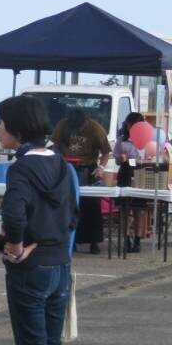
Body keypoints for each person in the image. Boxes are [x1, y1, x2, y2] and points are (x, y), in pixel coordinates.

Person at [0, 95, 78, 345]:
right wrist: (44, 241)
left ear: (16, 128)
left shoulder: (21, 168)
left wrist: (16, 244)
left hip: (30, 271)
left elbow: (13, 215)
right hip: (59, 265)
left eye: (0, 123)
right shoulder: (60, 163)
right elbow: (73, 214)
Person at [51, 108, 110, 254]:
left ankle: (94, 242)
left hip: (88, 169)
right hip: (68, 167)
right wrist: (59, 159)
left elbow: (106, 152)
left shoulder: (95, 129)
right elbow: (55, 145)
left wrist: (101, 167)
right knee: (68, 204)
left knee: (91, 206)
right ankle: (72, 240)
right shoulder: (62, 126)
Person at [114, 112, 150, 253]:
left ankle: (137, 239)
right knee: (124, 208)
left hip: (140, 173)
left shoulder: (147, 140)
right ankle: (126, 238)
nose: (132, 127)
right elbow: (117, 158)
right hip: (125, 174)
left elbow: (151, 158)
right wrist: (121, 159)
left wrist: (142, 160)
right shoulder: (122, 140)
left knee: (139, 210)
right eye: (130, 124)